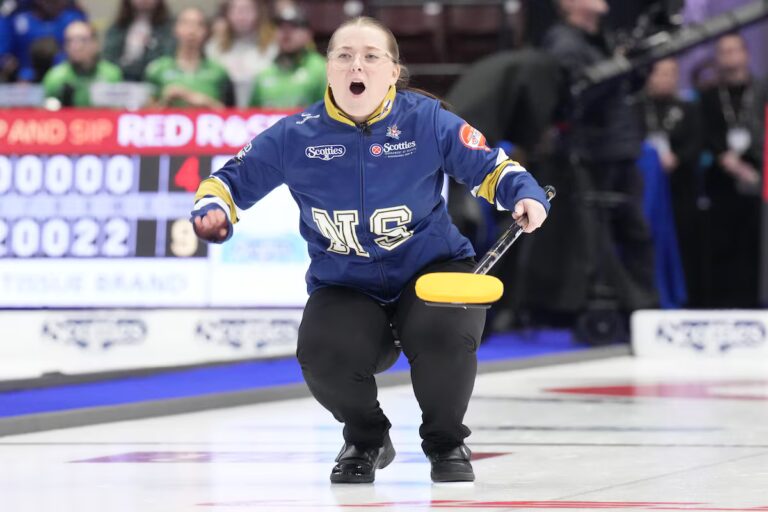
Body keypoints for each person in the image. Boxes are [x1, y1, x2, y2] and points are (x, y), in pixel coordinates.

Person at [191, 16, 549, 484]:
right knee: (321, 353)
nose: (355, 64)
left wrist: (525, 194)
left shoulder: (428, 121)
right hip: (345, 282)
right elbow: (228, 181)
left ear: (393, 71)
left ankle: (445, 441)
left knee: (445, 336)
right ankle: (367, 437)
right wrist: (213, 210)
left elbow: (492, 167)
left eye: (370, 56)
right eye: (343, 55)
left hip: (432, 271)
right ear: (329, 69)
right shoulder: (294, 135)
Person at [543, 0, 658, 312]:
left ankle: (644, 306)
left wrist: (638, 63)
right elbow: (574, 96)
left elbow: (624, 86)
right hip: (593, 153)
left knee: (636, 233)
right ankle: (629, 307)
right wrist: (619, 65)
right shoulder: (564, 43)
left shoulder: (603, 39)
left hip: (620, 148)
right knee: (601, 240)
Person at [697, 33, 765, 308]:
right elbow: (705, 133)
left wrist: (751, 168)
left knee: (756, 241)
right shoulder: (709, 96)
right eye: (723, 52)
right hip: (721, 177)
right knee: (722, 243)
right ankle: (722, 304)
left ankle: (756, 300)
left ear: (746, 54)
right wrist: (728, 160)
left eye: (735, 50)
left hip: (759, 176)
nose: (730, 57)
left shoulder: (761, 91)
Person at [641, 58, 703, 306]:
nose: (665, 79)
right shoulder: (636, 107)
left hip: (680, 189)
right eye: (660, 73)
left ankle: (680, 296)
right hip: (645, 191)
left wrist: (677, 158)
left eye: (671, 74)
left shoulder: (688, 108)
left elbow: (697, 143)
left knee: (682, 241)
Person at [144, 6, 234, 108]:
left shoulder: (219, 71)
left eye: (199, 25)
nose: (192, 31)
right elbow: (146, 115)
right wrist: (165, 101)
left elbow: (232, 115)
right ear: (175, 29)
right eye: (185, 23)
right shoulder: (157, 69)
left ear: (206, 32)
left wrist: (204, 102)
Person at [246, 4, 326, 108]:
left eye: (294, 26)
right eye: (280, 27)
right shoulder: (264, 71)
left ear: (308, 34)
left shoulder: (321, 69)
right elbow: (250, 115)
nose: (286, 32)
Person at [205, 0, 276, 107]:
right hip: (225, 109)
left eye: (247, 9)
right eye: (236, 10)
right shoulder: (214, 47)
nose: (242, 15)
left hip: (260, 109)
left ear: (259, 13)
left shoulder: (272, 46)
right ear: (227, 14)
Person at [42, 20, 122, 107]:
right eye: (70, 41)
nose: (76, 46)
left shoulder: (112, 75)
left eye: (82, 40)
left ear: (96, 43)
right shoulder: (54, 77)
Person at [4, 0, 86, 82]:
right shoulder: (18, 20)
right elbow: (6, 55)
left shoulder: (73, 19)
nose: (51, 4)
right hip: (24, 80)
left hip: (67, 77)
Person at [102, 0, 175, 82]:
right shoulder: (117, 26)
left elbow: (167, 58)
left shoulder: (170, 28)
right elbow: (108, 57)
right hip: (120, 80)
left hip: (153, 81)